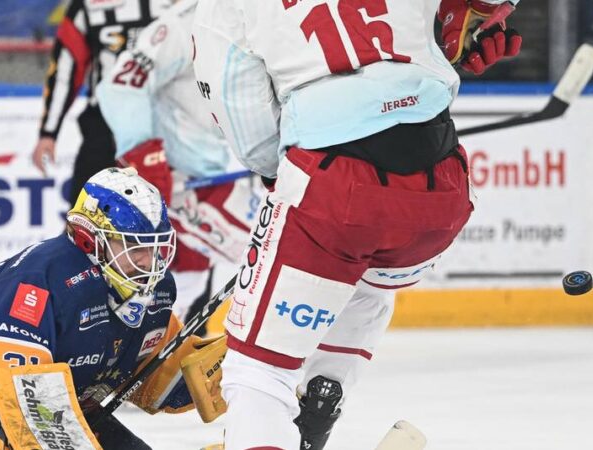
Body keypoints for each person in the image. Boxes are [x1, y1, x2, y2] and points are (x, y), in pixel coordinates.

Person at [192, 0, 521, 448]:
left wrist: (280, 173)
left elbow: (241, 109)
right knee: (367, 282)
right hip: (441, 183)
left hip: (334, 186)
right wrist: (475, 16)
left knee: (257, 372)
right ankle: (322, 392)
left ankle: (279, 427)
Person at [0, 167, 227, 449]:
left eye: (154, 247)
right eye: (134, 246)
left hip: (57, 413)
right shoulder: (39, 283)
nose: (148, 262)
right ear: (90, 238)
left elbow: (160, 374)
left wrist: (233, 369)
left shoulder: (150, 288)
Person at [96, 0, 261, 323]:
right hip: (187, 183)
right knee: (281, 259)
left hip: (235, 172)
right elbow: (119, 85)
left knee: (186, 281)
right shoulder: (181, 24)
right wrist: (143, 154)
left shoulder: (259, 16)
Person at [32, 0, 174, 204]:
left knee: (166, 211)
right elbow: (66, 68)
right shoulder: (87, 5)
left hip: (164, 124)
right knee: (86, 212)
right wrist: (49, 133)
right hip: (104, 125)